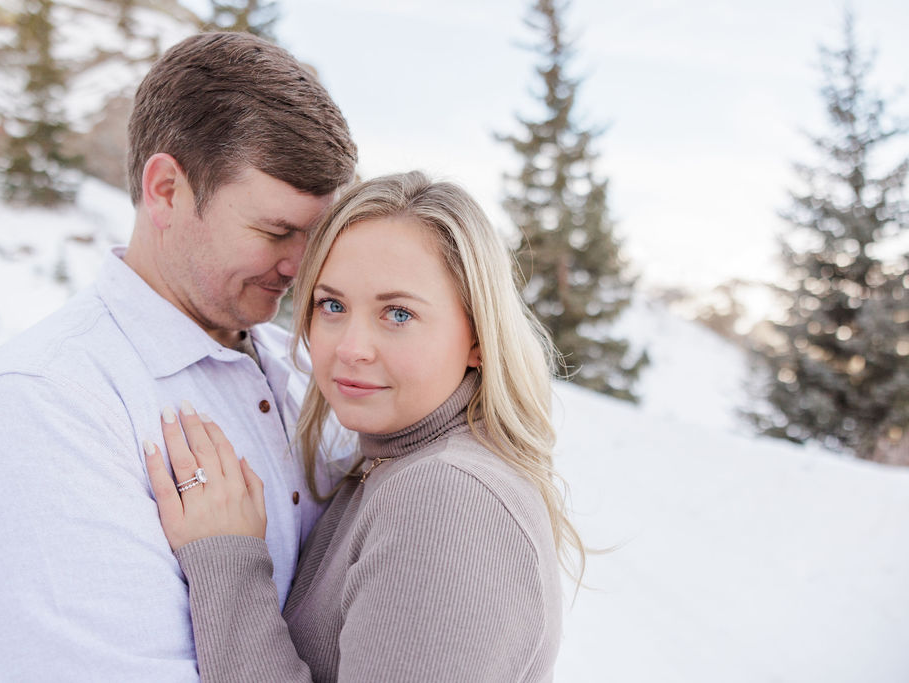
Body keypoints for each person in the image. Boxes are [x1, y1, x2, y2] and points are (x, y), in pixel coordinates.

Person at [0, 32, 357, 680]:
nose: (301, 266)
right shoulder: (43, 407)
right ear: (165, 190)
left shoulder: (302, 368)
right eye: (274, 232)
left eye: (315, 234)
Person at [145, 171, 584, 681]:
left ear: (478, 338)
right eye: (332, 306)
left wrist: (229, 562)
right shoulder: (387, 465)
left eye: (397, 314)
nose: (350, 347)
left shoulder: (449, 497)